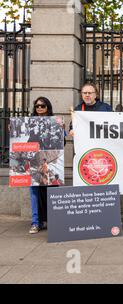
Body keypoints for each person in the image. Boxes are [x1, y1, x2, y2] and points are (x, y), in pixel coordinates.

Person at [28, 97, 54, 234]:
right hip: (35, 160)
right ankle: (36, 222)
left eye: (42, 106)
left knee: (50, 191)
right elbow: (27, 142)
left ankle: (52, 221)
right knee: (34, 191)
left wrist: (61, 131)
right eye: (37, 106)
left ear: (47, 107)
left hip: (49, 161)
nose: (39, 108)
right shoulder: (30, 123)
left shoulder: (55, 122)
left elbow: (63, 143)